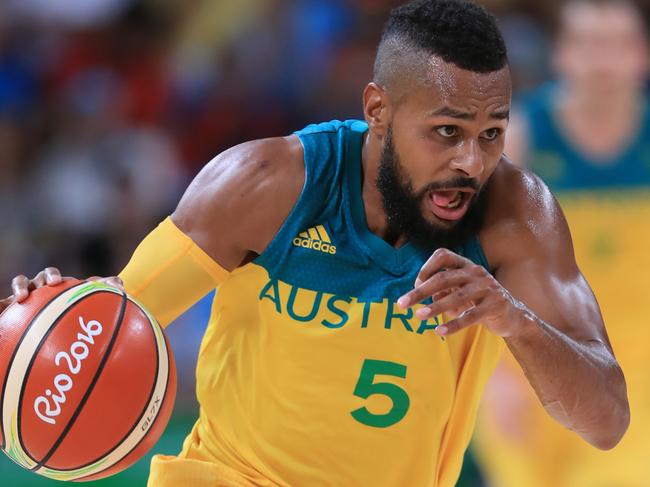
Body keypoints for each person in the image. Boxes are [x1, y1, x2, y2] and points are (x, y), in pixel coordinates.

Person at [1, 1, 630, 486]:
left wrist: (509, 316)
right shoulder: (265, 185)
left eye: (493, 133)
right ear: (378, 110)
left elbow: (605, 419)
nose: (471, 160)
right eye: (446, 131)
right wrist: (40, 327)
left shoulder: (515, 215)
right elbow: (116, 318)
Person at [473, 1, 650, 486]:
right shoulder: (520, 137)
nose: (602, 62)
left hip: (638, 373)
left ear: (641, 55)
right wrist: (496, 376)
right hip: (534, 358)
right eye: (589, 45)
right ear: (562, 55)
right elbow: (478, 257)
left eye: (616, 46)